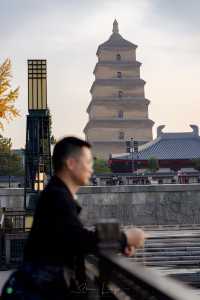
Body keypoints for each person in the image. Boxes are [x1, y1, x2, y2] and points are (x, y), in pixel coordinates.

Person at [2, 136, 145, 299]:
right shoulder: (58, 196)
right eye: (88, 162)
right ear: (71, 163)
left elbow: (71, 237)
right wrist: (125, 238)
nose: (91, 169)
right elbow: (78, 240)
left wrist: (117, 243)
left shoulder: (55, 193)